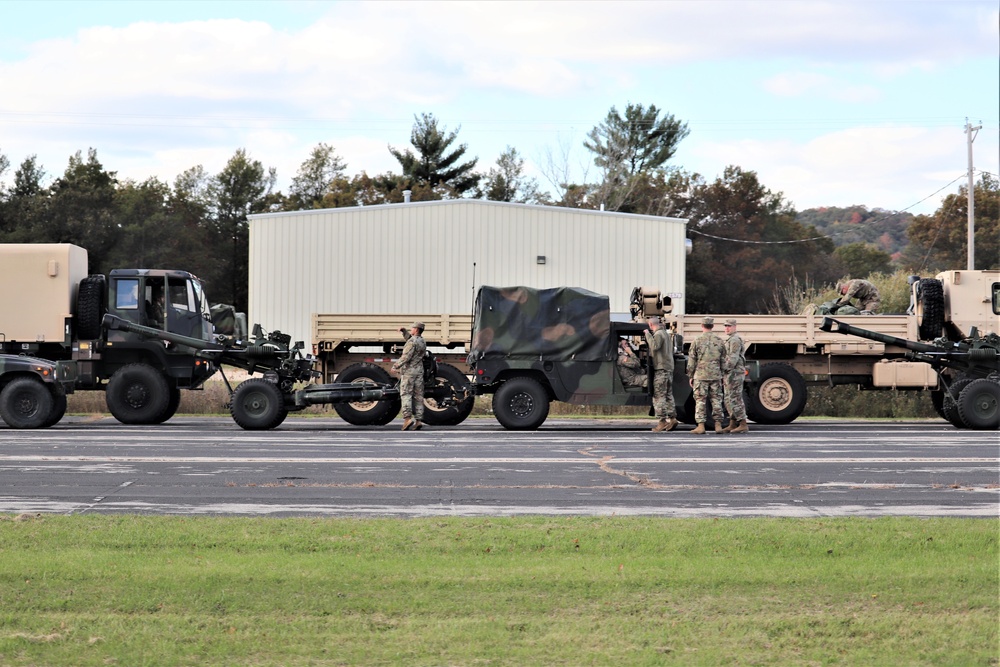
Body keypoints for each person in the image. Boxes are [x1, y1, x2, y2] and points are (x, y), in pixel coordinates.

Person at [687, 316, 726, 434]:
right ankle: (718, 425)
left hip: (701, 375)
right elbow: (723, 360)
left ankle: (701, 426)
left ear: (702, 326)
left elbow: (692, 360)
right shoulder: (719, 341)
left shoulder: (697, 340)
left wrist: (691, 375)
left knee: (700, 400)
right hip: (716, 375)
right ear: (712, 326)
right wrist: (723, 375)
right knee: (717, 400)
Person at [645, 316, 678, 432]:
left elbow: (654, 346)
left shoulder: (658, 334)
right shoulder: (666, 334)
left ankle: (662, 421)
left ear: (650, 325)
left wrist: (647, 335)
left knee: (659, 396)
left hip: (661, 369)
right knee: (668, 395)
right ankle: (673, 418)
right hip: (668, 369)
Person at [392, 321, 427, 431]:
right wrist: (404, 332)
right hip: (419, 372)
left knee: (406, 394)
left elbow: (406, 356)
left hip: (409, 372)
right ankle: (418, 421)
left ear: (416, 329)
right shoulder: (422, 341)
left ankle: (407, 419)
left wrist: (395, 366)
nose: (411, 329)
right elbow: (411, 340)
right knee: (418, 396)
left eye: (412, 328)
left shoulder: (412, 342)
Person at [721, 318, 749, 434]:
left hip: (735, 373)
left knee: (735, 398)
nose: (727, 328)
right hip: (730, 373)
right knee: (728, 398)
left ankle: (743, 423)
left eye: (729, 326)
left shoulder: (735, 340)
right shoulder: (729, 340)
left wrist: (724, 369)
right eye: (726, 326)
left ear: (734, 327)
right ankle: (732, 423)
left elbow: (733, 359)